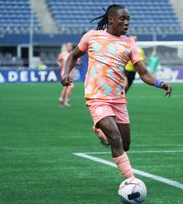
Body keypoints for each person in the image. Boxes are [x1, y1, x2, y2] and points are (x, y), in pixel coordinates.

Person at [61, 4, 172, 179]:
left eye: (128, 19)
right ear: (111, 19)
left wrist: (160, 83)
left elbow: (143, 73)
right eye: (122, 18)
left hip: (118, 99)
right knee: (116, 139)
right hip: (97, 98)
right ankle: (132, 181)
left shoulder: (129, 44)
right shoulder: (92, 36)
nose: (126, 22)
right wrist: (65, 74)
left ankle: (100, 131)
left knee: (125, 144)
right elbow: (73, 56)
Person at [57, 42, 74, 108]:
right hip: (65, 73)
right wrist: (60, 65)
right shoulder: (63, 54)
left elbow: (75, 63)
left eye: (71, 46)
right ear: (66, 47)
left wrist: (73, 72)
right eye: (69, 46)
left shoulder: (73, 54)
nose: (70, 47)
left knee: (66, 87)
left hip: (70, 73)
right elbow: (58, 60)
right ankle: (66, 101)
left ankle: (61, 100)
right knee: (70, 86)